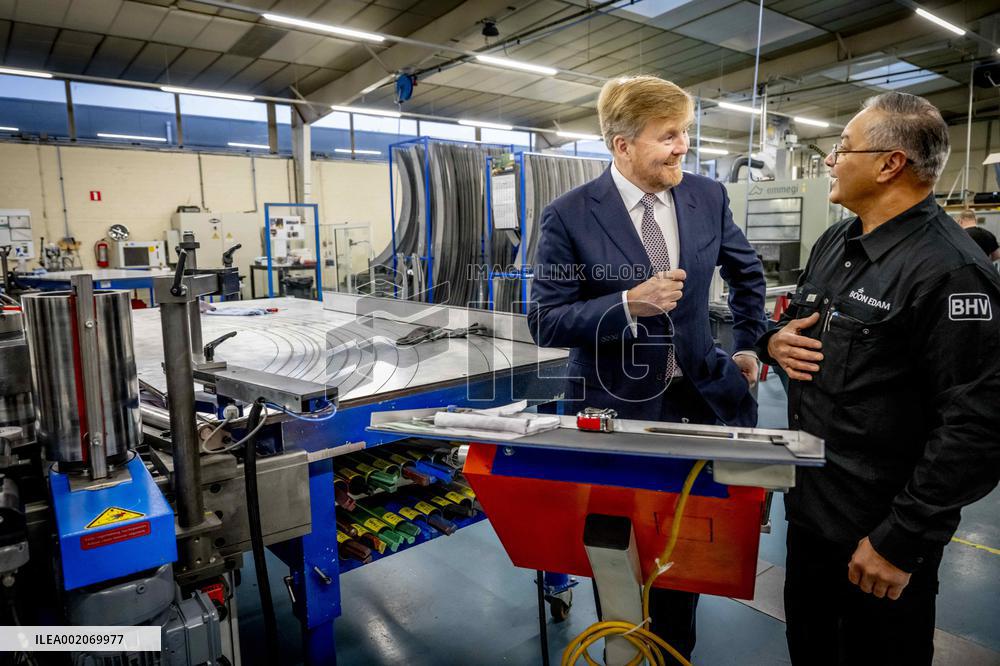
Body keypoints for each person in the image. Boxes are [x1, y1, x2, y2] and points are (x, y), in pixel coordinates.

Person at [527, 75, 766, 660]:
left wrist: (749, 345)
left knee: (685, 558)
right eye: (668, 136)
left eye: (685, 133)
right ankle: (624, 646)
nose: (682, 146)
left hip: (700, 404)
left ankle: (673, 651)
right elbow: (547, 320)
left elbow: (746, 275)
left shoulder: (706, 196)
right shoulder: (568, 216)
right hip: (617, 410)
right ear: (622, 145)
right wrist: (628, 304)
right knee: (620, 553)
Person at [757, 91, 1000, 665]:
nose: (831, 161)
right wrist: (771, 343)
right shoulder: (837, 242)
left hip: (880, 538)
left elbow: (979, 425)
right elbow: (795, 325)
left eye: (842, 149)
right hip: (813, 514)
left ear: (890, 163)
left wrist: (902, 540)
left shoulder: (951, 271)